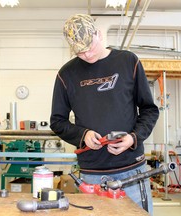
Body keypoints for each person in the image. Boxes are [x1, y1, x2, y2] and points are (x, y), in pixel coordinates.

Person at [50, 14, 159, 215]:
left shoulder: (128, 61)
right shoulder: (66, 74)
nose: (87, 55)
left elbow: (149, 110)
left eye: (89, 46)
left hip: (132, 171)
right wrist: (82, 135)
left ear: (98, 34)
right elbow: (57, 121)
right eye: (80, 52)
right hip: (92, 175)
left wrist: (133, 138)